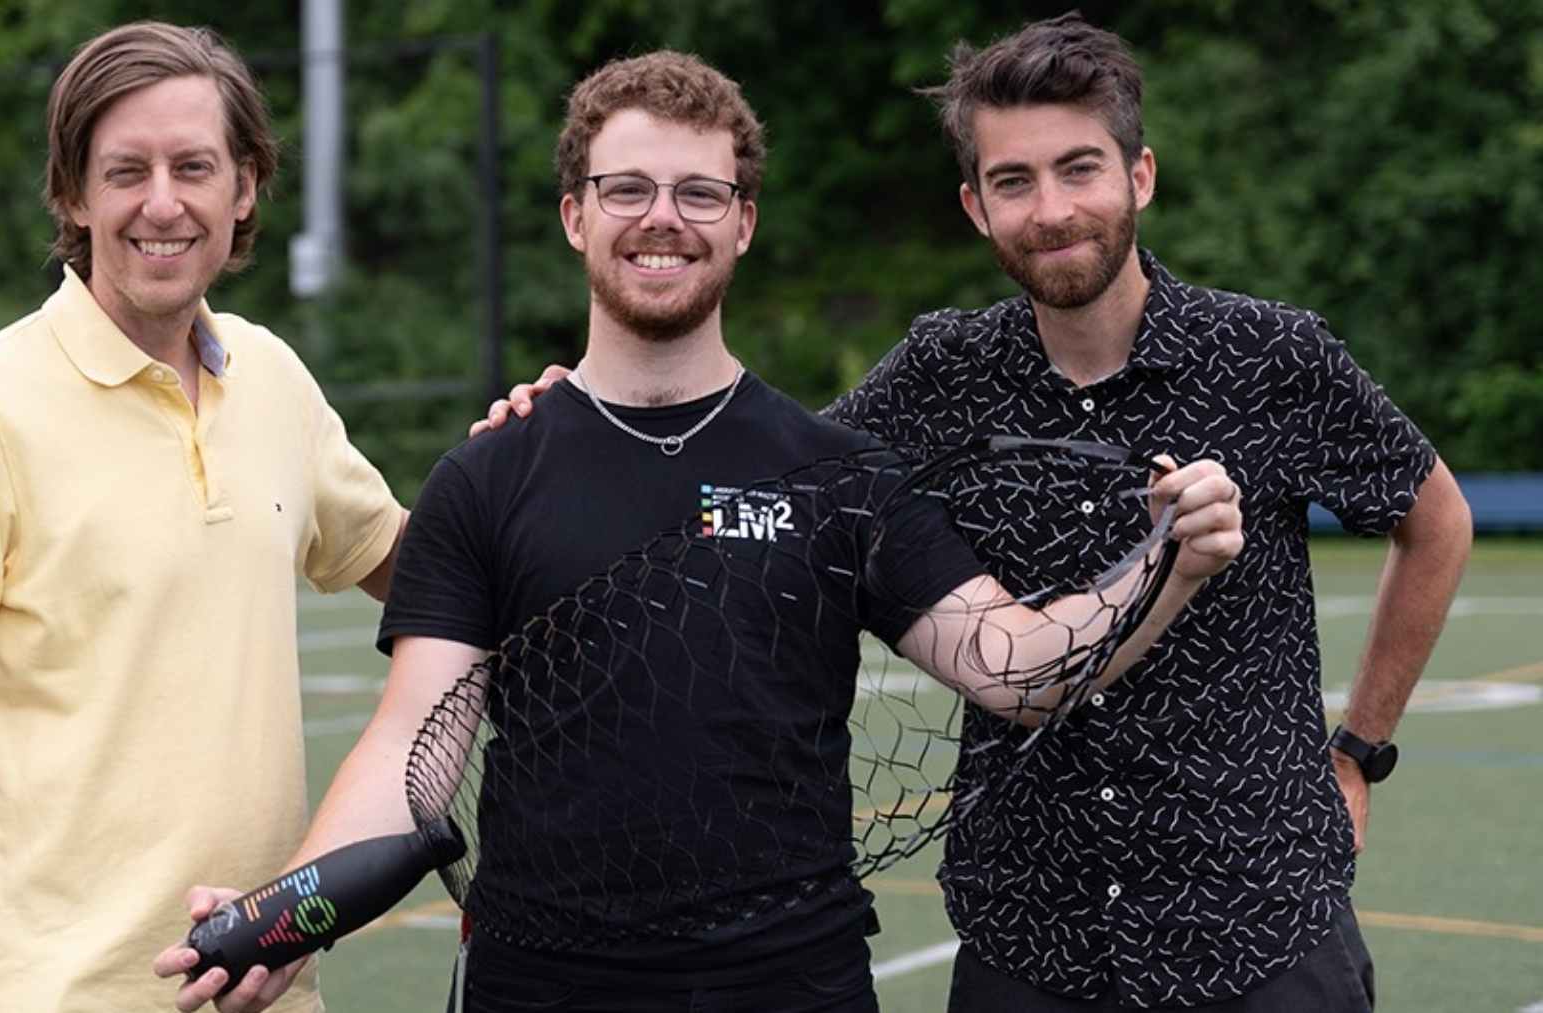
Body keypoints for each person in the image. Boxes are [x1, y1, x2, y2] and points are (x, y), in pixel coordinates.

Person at [155, 50, 1243, 1013]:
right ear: (576, 215)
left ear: (743, 221)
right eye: (626, 188)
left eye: (697, 191)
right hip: (540, 979)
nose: (661, 217)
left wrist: (1171, 562)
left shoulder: (838, 471)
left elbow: (1016, 669)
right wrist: (292, 914)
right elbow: (409, 750)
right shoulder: (487, 474)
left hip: (793, 978)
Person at [480, 13, 1473, 1013]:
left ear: (1141, 175)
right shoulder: (942, 372)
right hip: (1030, 936)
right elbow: (759, 487)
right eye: (1014, 181)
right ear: (974, 204)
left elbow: (1435, 521)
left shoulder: (1273, 356)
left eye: (1079, 168)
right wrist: (598, 410)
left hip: (1257, 923)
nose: (1052, 209)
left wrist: (1359, 749)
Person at [0, 22, 405, 1013]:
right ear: (74, 193)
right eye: (126, 170)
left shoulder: (273, 376)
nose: (163, 202)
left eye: (195, 166)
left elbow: (420, 570)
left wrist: (533, 449)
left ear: (244, 189)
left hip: (270, 990)